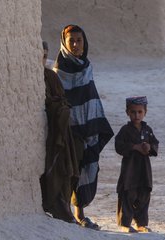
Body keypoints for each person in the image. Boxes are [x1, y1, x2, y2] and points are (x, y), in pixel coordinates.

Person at [53, 25, 114, 230]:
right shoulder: (60, 69)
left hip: (88, 127)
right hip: (70, 130)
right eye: (72, 41)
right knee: (71, 169)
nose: (77, 45)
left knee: (87, 165)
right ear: (64, 42)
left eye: (79, 40)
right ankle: (69, 212)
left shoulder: (86, 66)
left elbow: (90, 94)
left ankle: (80, 213)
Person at [40, 41, 80, 223]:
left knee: (64, 168)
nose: (41, 60)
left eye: (44, 56)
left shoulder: (51, 76)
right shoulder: (35, 77)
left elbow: (61, 99)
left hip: (59, 130)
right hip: (47, 133)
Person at [115, 96, 159, 233]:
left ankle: (141, 223)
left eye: (140, 112)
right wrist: (134, 147)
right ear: (127, 112)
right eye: (133, 112)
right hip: (130, 169)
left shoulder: (147, 129)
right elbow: (119, 146)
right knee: (128, 194)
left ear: (145, 112)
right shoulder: (125, 130)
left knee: (144, 194)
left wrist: (149, 148)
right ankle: (125, 224)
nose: (136, 115)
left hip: (144, 169)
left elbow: (155, 144)